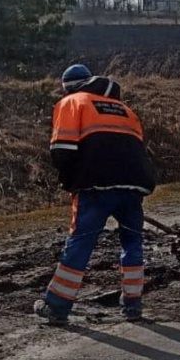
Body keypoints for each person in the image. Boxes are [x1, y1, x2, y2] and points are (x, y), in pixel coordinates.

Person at [35, 64, 156, 326]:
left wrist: (69, 181)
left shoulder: (72, 102)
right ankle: (133, 306)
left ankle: (56, 307)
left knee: (80, 243)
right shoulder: (126, 110)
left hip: (95, 188)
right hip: (134, 187)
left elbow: (63, 150)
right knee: (132, 244)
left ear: (68, 86)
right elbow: (134, 150)